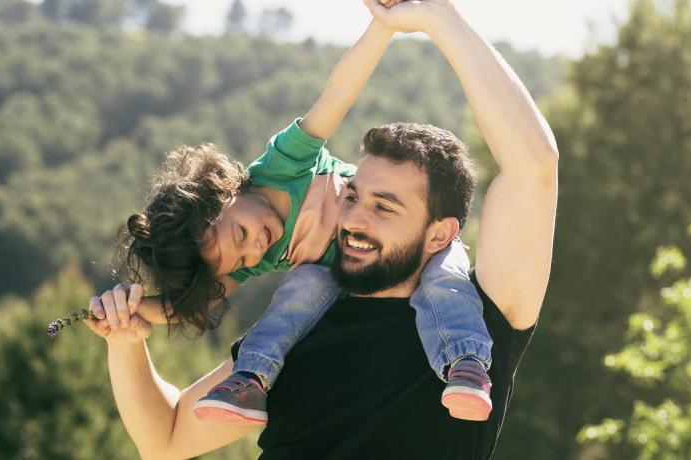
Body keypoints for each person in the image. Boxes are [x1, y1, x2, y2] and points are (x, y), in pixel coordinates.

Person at [86, 0, 558, 458]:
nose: (352, 218)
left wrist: (440, 15)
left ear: (440, 234)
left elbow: (533, 166)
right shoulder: (293, 330)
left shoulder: (479, 318)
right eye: (351, 196)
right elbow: (163, 442)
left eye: (384, 207)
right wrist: (126, 341)